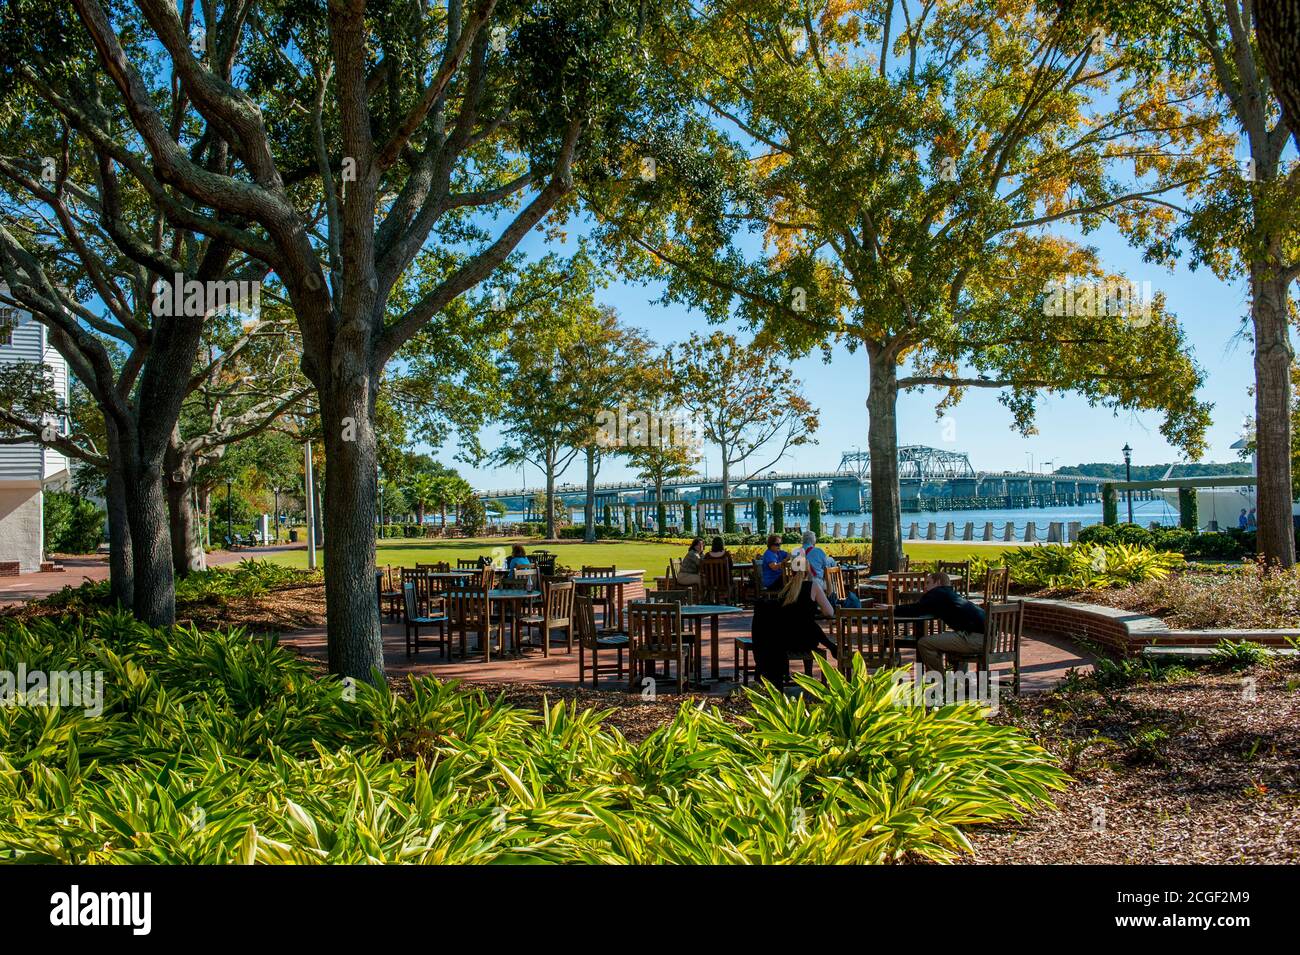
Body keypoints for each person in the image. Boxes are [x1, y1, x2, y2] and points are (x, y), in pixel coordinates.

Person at [749, 554, 837, 686]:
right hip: (804, 641)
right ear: (808, 570)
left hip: (785, 640)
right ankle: (830, 648)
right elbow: (829, 612)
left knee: (807, 625)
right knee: (809, 625)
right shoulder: (813, 586)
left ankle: (830, 647)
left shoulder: (786, 589)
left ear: (792, 570)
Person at [894, 572, 987, 674]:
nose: (925, 586)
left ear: (938, 583)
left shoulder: (938, 593)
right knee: (947, 640)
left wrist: (893, 609)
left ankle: (939, 681)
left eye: (928, 583)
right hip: (987, 639)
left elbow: (917, 609)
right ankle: (960, 682)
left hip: (975, 639)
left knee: (924, 643)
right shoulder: (951, 595)